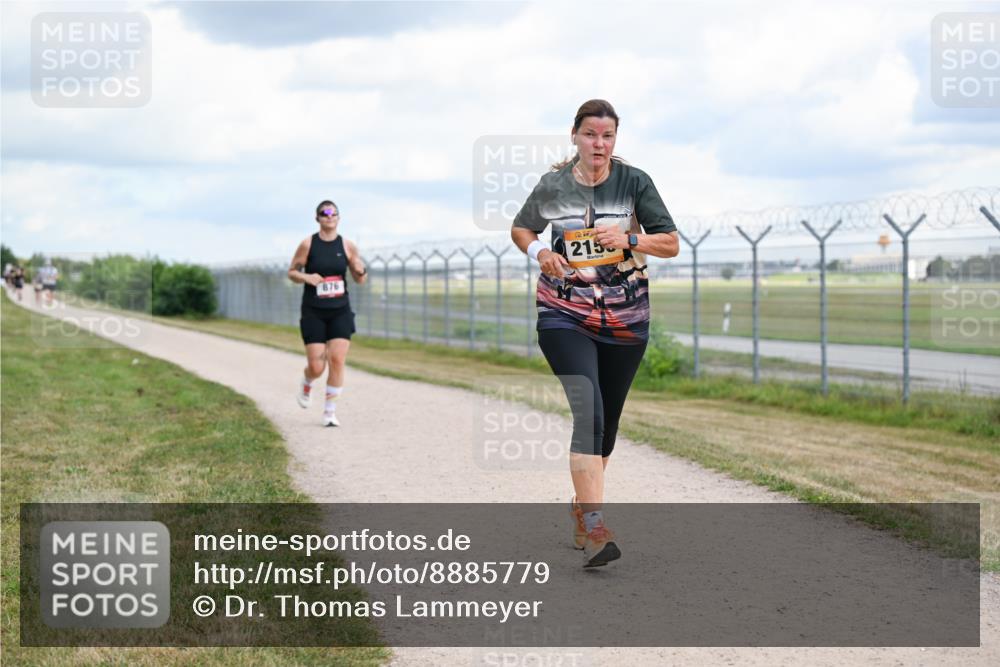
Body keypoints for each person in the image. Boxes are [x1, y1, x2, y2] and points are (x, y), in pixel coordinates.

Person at [510, 99, 680, 568]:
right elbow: (521, 229)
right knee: (590, 411)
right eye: (590, 134)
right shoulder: (553, 186)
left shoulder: (635, 183)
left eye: (607, 136)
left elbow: (670, 243)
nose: (598, 144)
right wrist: (541, 254)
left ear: (615, 140)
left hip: (625, 319)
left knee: (608, 425)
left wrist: (629, 239)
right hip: (563, 312)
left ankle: (582, 507)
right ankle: (597, 526)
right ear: (575, 136)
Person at [288, 200, 367, 427]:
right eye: (325, 213)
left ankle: (329, 413)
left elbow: (360, 280)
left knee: (337, 359)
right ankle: (307, 381)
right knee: (317, 366)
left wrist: (360, 270)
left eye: (333, 213)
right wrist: (307, 277)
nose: (329, 216)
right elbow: (292, 272)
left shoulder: (348, 246)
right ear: (318, 218)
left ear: (339, 218)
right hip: (314, 311)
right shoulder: (308, 244)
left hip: (340, 310)